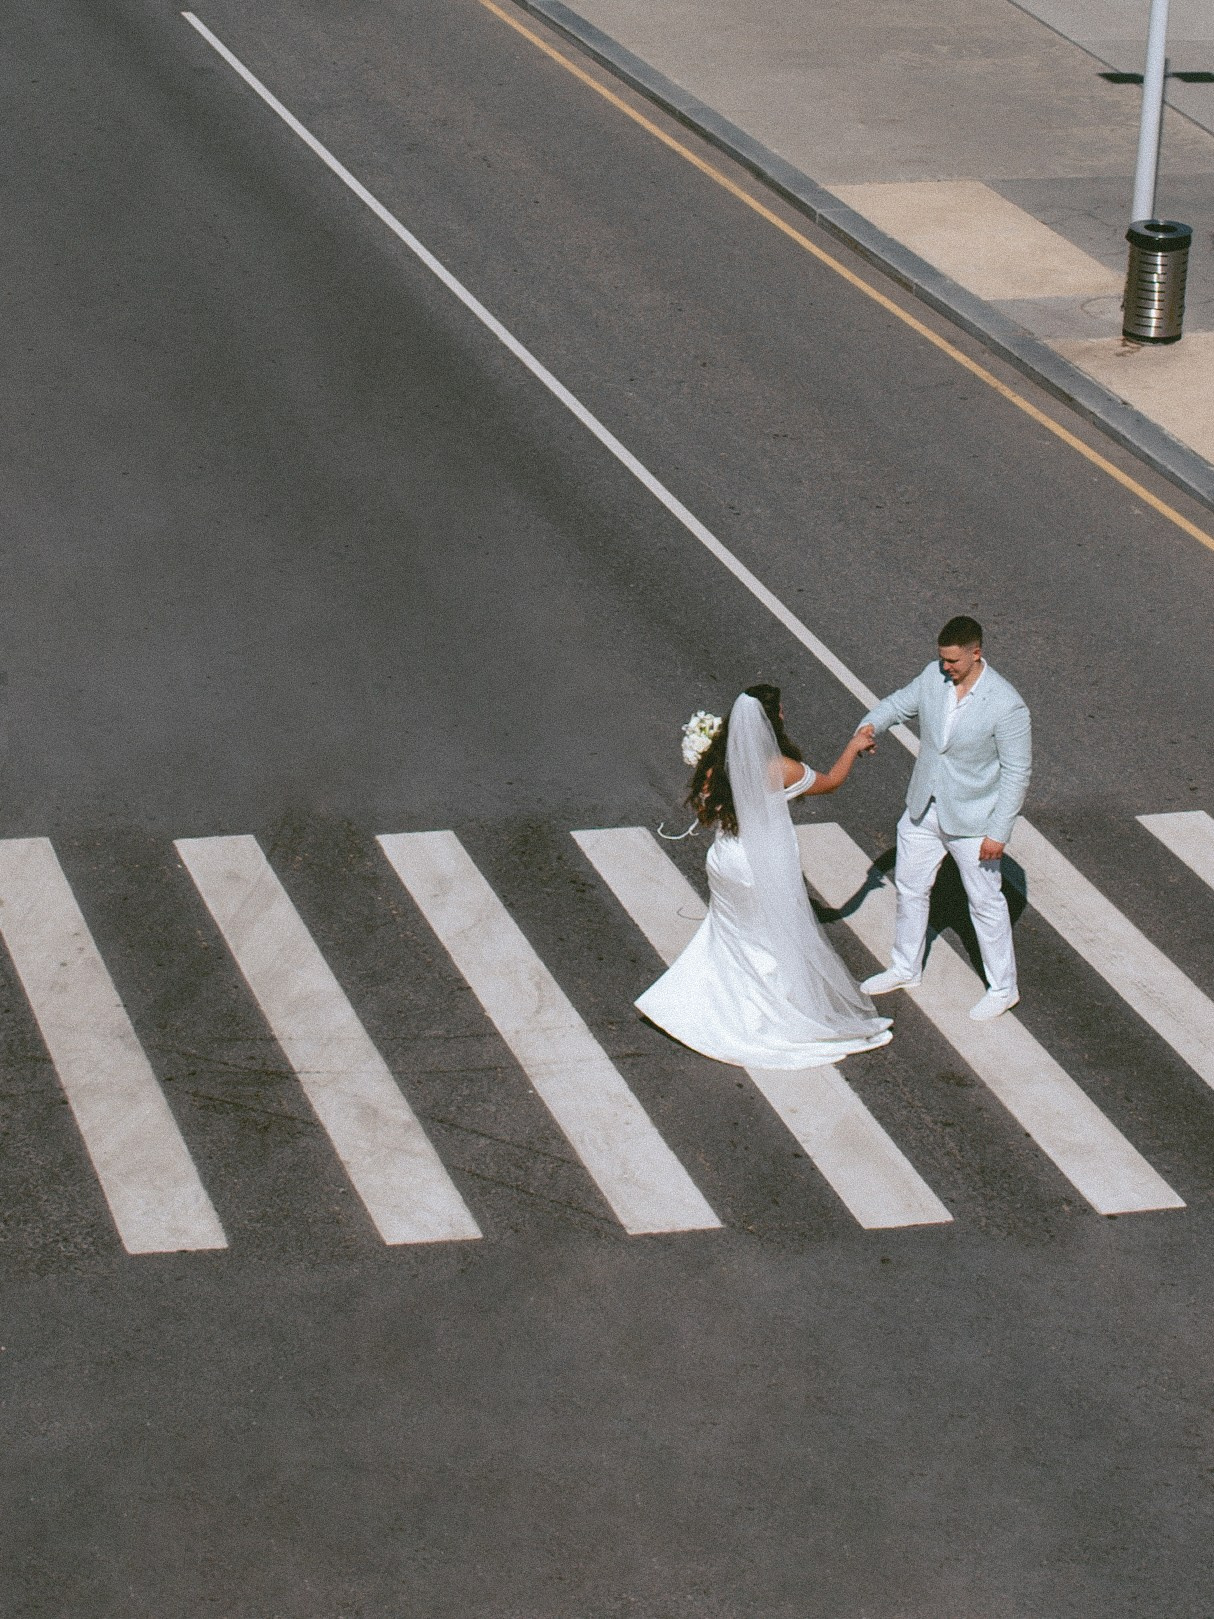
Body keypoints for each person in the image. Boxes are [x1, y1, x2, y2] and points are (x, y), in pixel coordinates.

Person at [635, 685, 892, 1068]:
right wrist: (853, 747)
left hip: (725, 860)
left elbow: (707, 810)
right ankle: (761, 1016)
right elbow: (831, 782)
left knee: (731, 933)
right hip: (760, 863)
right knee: (770, 939)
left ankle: (705, 1006)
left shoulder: (716, 763)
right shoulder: (777, 767)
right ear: (772, 720)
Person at [856, 615, 1032, 1021]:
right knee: (911, 888)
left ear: (976, 653)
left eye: (953, 661)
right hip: (924, 809)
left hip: (975, 821)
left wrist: (998, 832)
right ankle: (905, 967)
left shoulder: (1006, 704)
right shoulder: (933, 677)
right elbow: (898, 704)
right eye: (942, 659)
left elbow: (1017, 772)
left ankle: (1004, 988)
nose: (946, 667)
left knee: (985, 902)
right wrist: (869, 727)